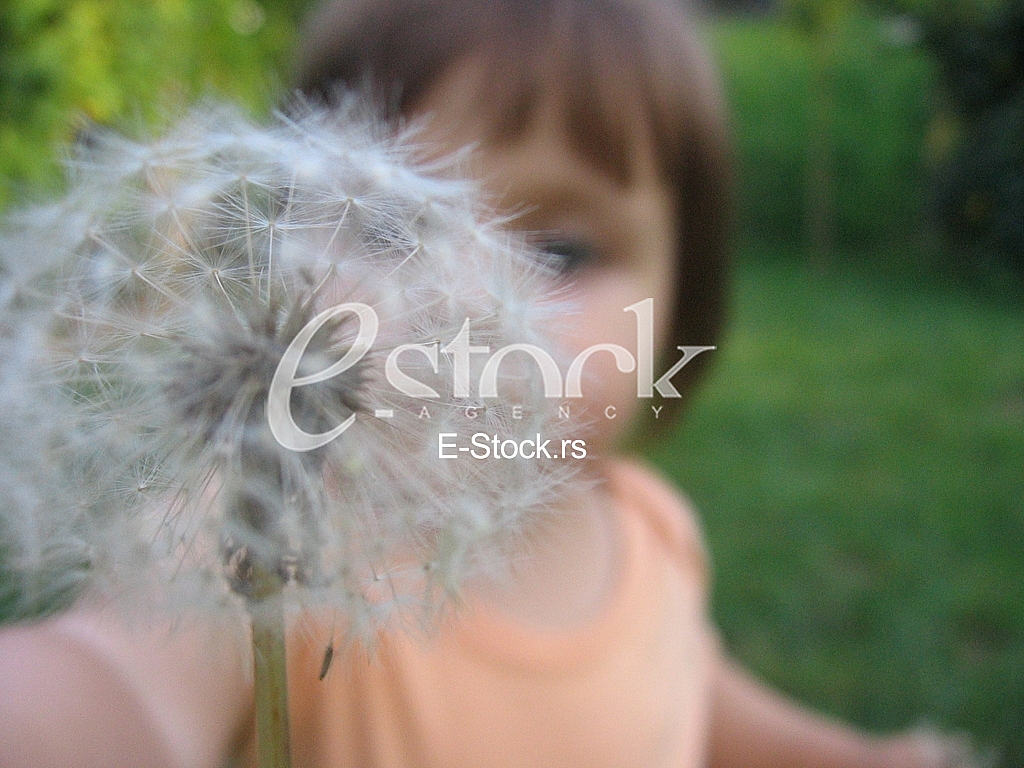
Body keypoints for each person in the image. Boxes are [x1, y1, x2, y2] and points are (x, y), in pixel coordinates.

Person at [0, 0, 984, 766]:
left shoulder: (651, 533)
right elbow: (117, 679)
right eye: (392, 231)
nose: (475, 308)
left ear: (682, 309)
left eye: (559, 249)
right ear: (288, 263)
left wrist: (841, 755)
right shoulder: (273, 539)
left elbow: (700, 696)